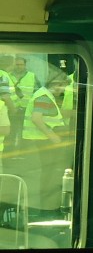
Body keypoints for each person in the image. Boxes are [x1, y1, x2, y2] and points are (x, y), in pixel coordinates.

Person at [21, 71, 72, 222]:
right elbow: (37, 119)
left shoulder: (45, 95)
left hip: (43, 140)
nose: (63, 90)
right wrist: (53, 136)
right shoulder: (43, 96)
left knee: (48, 175)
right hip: (43, 140)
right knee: (49, 176)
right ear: (56, 85)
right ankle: (46, 209)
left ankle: (46, 208)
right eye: (63, 86)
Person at [8, 56, 36, 150]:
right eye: (17, 64)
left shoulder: (32, 76)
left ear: (25, 65)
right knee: (11, 131)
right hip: (12, 108)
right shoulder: (8, 75)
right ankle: (10, 151)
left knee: (25, 131)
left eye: (21, 64)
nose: (19, 66)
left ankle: (23, 151)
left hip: (26, 108)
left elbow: (37, 91)